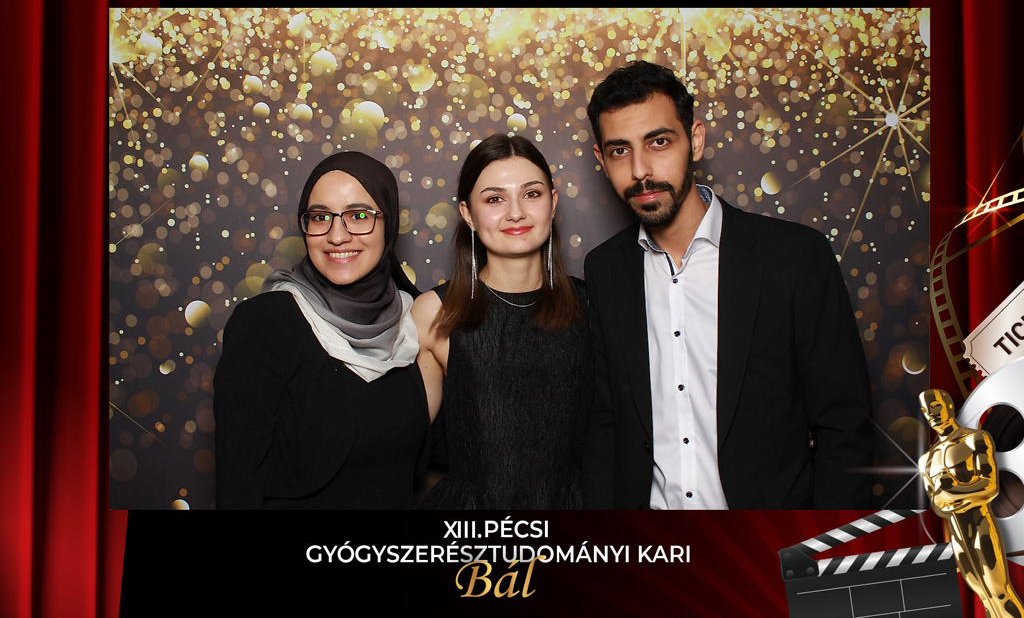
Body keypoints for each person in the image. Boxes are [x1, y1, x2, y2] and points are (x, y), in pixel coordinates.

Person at [582, 60, 872, 510]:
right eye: (620, 151)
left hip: (766, 540)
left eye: (659, 142)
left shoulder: (794, 257)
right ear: (601, 160)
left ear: (695, 139)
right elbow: (606, 425)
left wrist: (820, 543)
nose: (640, 170)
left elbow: (846, 425)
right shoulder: (605, 269)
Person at [214, 152, 432, 509]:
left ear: (389, 224)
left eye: (359, 215)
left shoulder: (415, 320)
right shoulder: (266, 323)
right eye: (320, 217)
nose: (337, 236)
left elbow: (435, 464)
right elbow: (238, 486)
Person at [412, 133, 593, 509]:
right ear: (467, 214)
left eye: (531, 194)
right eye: (494, 199)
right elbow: (399, 447)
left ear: (552, 203)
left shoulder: (593, 304)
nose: (516, 213)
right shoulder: (433, 313)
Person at [919, 389, 1024, 617]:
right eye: (926, 409)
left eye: (935, 406)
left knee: (999, 592)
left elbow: (989, 486)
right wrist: (954, 494)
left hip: (980, 524)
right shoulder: (926, 460)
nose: (931, 414)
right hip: (957, 534)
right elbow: (936, 504)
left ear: (948, 405)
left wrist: (951, 491)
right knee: (984, 597)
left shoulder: (975, 439)